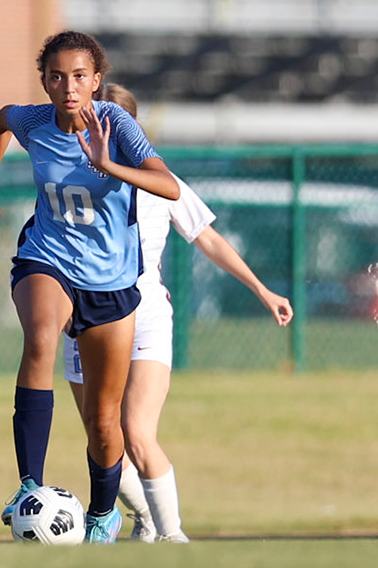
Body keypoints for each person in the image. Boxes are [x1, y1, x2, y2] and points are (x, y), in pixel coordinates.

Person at [57, 84, 292, 543]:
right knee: (102, 441)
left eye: (102, 123)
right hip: (84, 321)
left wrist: (262, 289)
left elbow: (207, 238)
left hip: (143, 317)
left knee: (136, 432)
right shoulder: (66, 183)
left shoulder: (160, 185)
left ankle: (173, 536)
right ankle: (147, 519)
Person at [0, 32, 181, 544]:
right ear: (44, 82)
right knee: (41, 336)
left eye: (80, 76)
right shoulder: (35, 121)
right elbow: (2, 119)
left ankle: (104, 514)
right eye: (57, 76)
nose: (69, 86)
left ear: (96, 81)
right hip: (48, 257)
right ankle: (27, 486)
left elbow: (169, 185)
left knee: (104, 422)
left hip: (111, 282)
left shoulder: (117, 124)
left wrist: (109, 165)